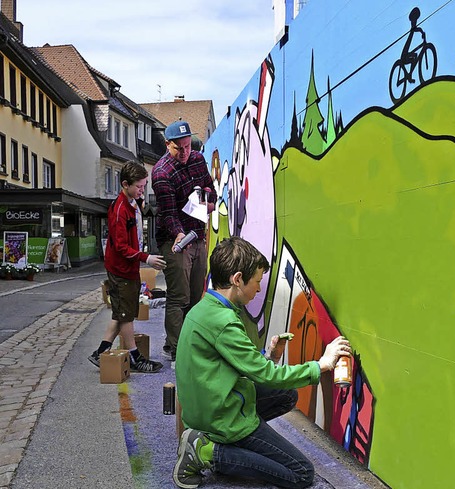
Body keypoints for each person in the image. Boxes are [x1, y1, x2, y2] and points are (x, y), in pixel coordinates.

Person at [172, 236, 351, 489]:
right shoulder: (224, 321)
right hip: (220, 418)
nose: (258, 289)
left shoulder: (205, 308)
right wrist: (321, 364)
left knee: (286, 395)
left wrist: (272, 356)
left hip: (207, 408)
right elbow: (266, 375)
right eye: (256, 282)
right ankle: (207, 452)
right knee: (301, 473)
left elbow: (238, 365)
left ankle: (227, 446)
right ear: (237, 280)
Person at [89, 161, 166, 373]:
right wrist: (146, 258)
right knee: (125, 315)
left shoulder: (133, 202)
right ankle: (134, 356)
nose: (143, 190)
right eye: (139, 186)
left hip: (127, 268)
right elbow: (122, 247)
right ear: (125, 184)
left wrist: (142, 202)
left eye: (145, 185)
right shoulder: (120, 209)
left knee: (122, 312)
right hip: (121, 269)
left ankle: (101, 353)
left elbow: (146, 213)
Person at [151, 120, 216, 361]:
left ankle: (190, 341)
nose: (185, 153)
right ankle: (176, 347)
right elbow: (168, 213)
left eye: (188, 146)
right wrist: (179, 234)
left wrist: (209, 203)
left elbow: (211, 188)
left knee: (196, 294)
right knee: (179, 296)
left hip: (197, 234)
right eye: (179, 148)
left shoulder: (198, 160)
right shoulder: (161, 173)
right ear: (168, 145)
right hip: (174, 240)